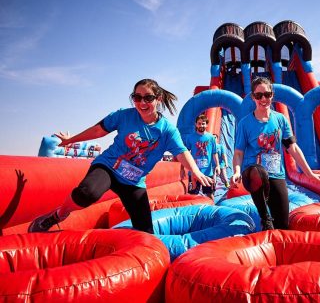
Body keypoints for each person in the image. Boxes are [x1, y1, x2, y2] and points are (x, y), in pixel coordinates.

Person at [28, 78, 213, 234]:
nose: (142, 103)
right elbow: (98, 130)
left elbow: (182, 152)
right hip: (109, 167)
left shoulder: (167, 130)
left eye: (148, 98)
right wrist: (71, 140)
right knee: (87, 193)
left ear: (158, 99)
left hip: (133, 182)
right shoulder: (124, 116)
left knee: (146, 232)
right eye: (137, 98)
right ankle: (57, 215)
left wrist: (195, 172)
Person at [230, 77, 320, 230]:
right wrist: (236, 171)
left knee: (283, 224)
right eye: (259, 95)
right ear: (253, 97)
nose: (263, 99)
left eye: (267, 94)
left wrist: (310, 174)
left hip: (276, 174)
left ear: (272, 95)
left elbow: (292, 148)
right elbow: (238, 153)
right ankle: (265, 218)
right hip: (253, 174)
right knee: (258, 172)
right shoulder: (245, 123)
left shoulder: (280, 119)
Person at [183, 114, 220, 200]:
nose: (201, 125)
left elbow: (214, 153)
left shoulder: (211, 138)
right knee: (192, 195)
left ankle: (213, 210)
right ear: (196, 124)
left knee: (210, 195)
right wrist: (182, 168)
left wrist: (218, 165)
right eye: (199, 123)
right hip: (193, 172)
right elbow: (186, 153)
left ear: (206, 124)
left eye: (203, 123)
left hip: (208, 172)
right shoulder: (190, 137)